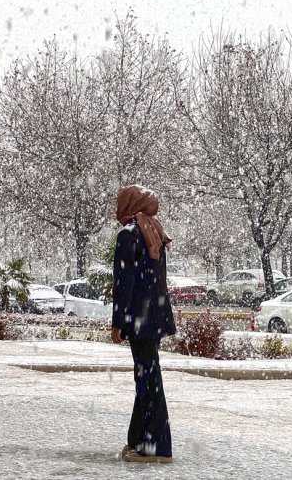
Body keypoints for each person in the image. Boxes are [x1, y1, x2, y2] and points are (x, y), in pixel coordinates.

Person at [111, 185, 176, 464]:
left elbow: (125, 283)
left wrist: (118, 322)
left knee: (148, 381)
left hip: (140, 319)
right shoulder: (154, 230)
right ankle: (139, 439)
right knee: (147, 377)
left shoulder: (129, 235)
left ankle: (156, 447)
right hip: (155, 318)